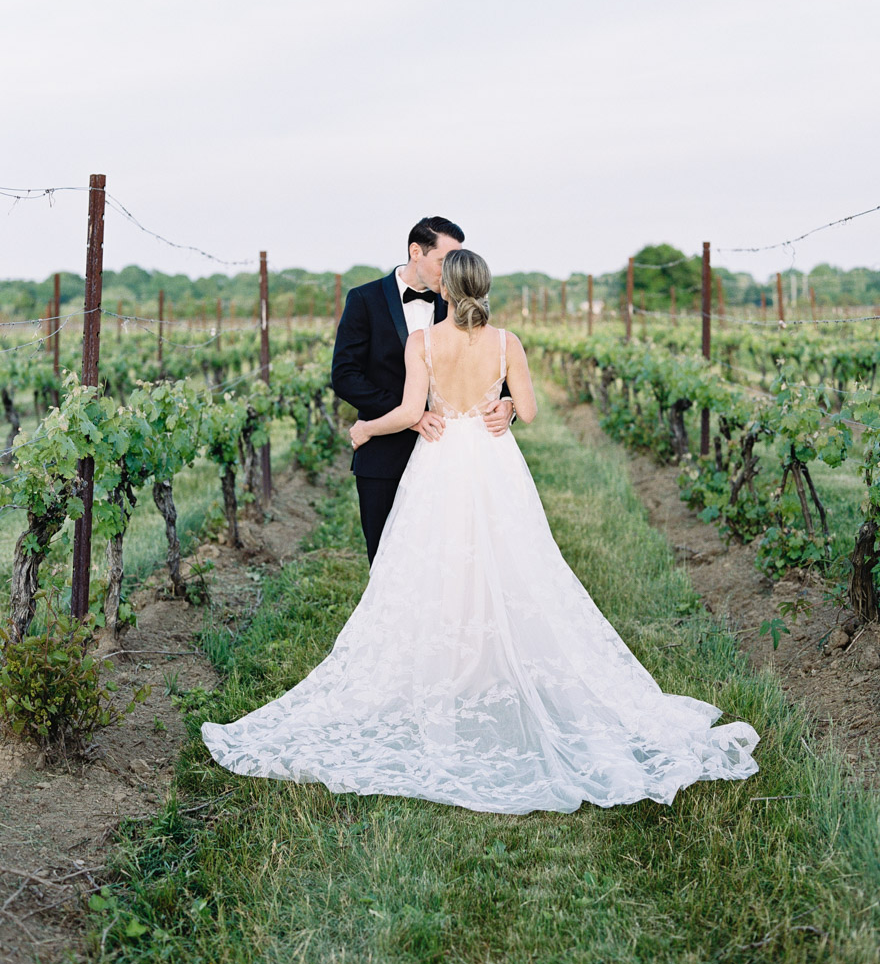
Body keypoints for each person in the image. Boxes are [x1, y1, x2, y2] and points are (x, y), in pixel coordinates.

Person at [202, 249, 759, 814]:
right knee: (511, 559)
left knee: (436, 563)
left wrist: (365, 428)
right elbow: (535, 411)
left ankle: (450, 670)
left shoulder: (422, 344)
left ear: (445, 289)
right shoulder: (507, 342)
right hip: (493, 461)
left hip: (440, 460)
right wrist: (509, 404)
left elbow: (408, 411)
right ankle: (485, 665)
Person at [331, 216, 513, 563]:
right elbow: (345, 375)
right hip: (384, 455)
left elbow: (498, 371)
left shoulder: (461, 302)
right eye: (445, 262)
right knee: (386, 561)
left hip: (454, 457)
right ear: (416, 251)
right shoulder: (364, 300)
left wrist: (507, 404)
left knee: (454, 561)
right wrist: (410, 415)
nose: (452, 273)